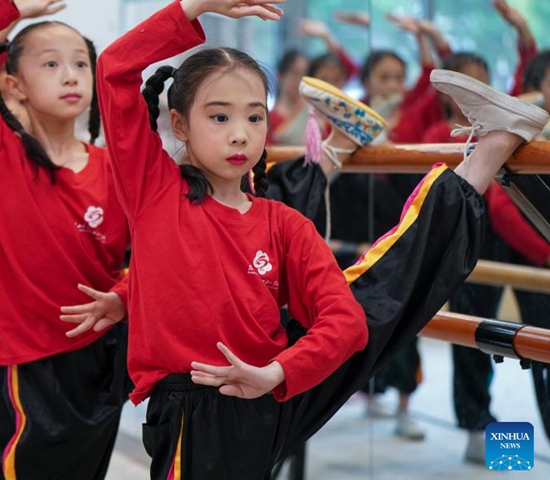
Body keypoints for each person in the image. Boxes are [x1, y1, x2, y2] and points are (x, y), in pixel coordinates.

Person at [69, 0, 550, 477]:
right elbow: (114, 68)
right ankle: (481, 146)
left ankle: (489, 147)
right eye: (220, 117)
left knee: (378, 294)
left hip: (267, 389)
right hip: (195, 407)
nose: (240, 134)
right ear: (180, 125)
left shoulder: (283, 223)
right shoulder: (157, 192)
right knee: (376, 283)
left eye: (255, 118)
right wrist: (197, 8)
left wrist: (277, 373)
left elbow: (345, 322)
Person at [0, 1, 132, 479]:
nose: (70, 76)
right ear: (13, 85)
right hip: (36, 357)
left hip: (106, 354)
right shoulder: (1, 156)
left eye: (80, 63)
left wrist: (123, 296)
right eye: (51, 63)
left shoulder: (116, 168)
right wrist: (14, 8)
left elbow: (143, 258)